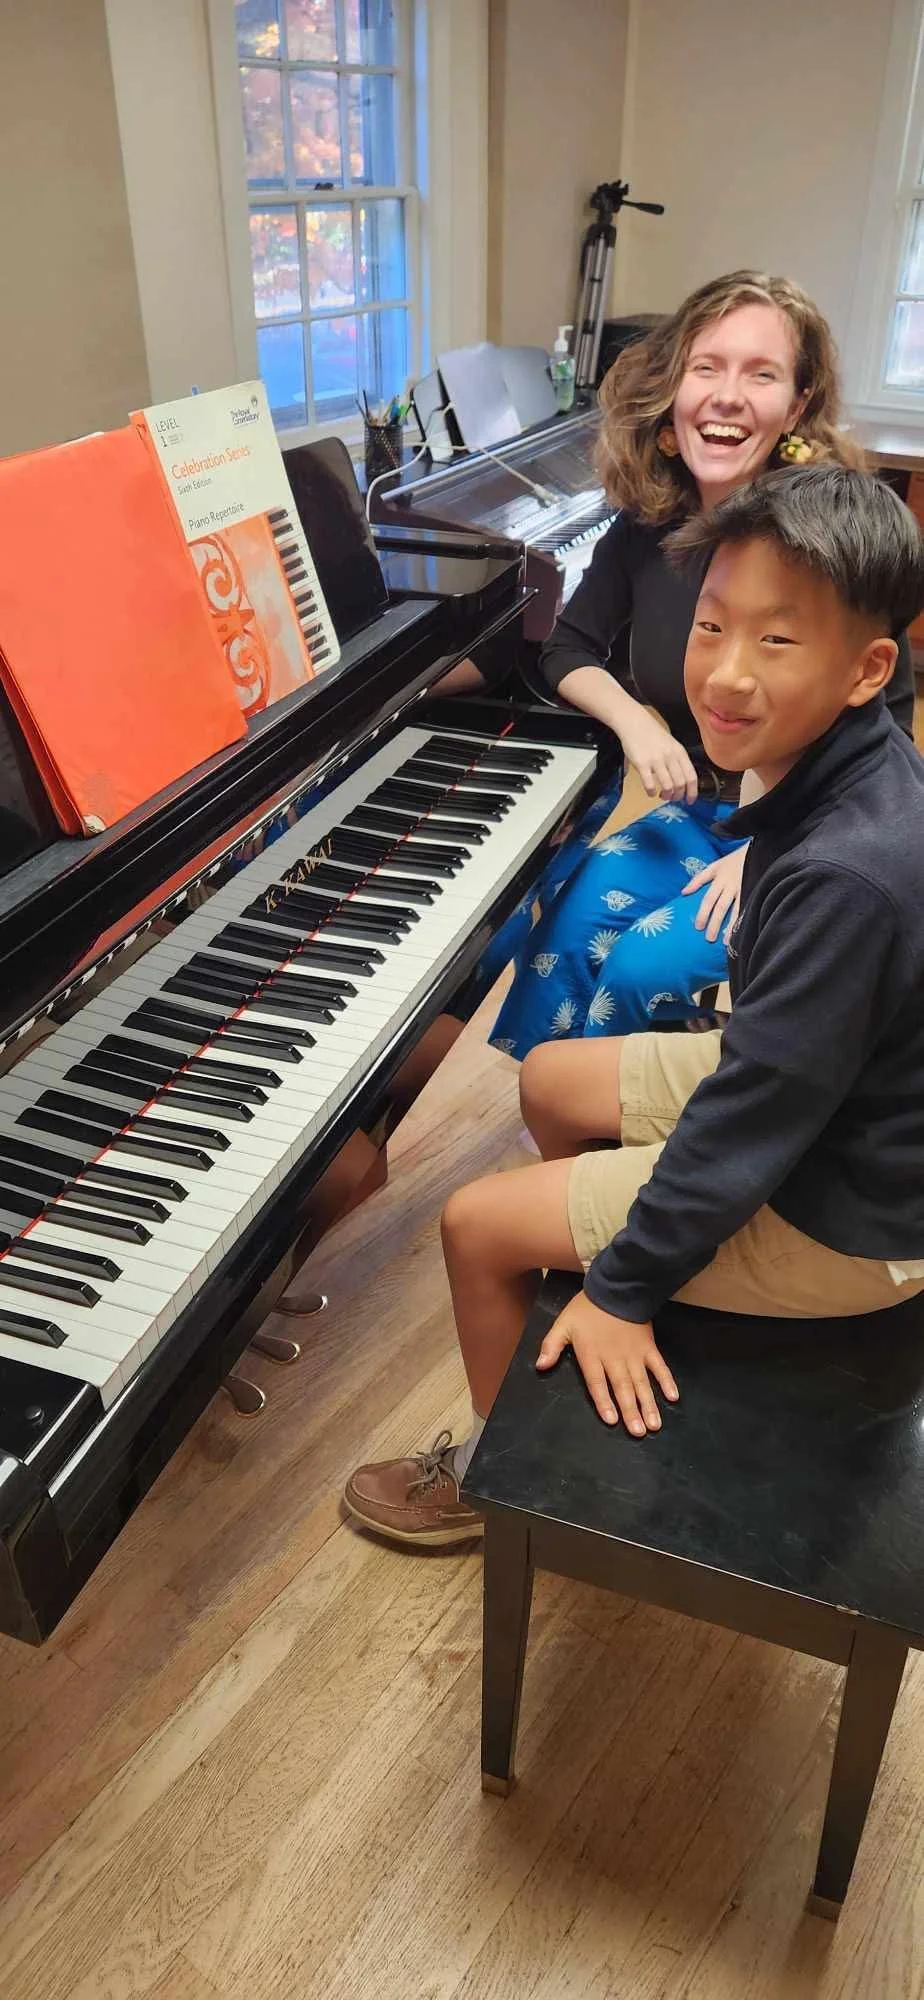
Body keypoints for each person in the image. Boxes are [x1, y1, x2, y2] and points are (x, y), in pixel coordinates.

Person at [344, 463, 924, 1546]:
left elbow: (760, 1114)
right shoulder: (838, 766)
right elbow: (776, 1069)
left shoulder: (849, 871)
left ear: (867, 668)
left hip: (848, 1205)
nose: (727, 676)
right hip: (834, 1103)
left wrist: (627, 1282)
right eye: (712, 626)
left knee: (473, 1224)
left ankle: (496, 1483)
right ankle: (568, 1286)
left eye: (779, 642)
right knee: (553, 1073)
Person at [481, 272, 915, 1061]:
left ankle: (628, 1138)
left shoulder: (834, 540)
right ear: (675, 387)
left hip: (810, 835)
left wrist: (769, 848)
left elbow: (895, 743)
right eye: (706, 367)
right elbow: (567, 646)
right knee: (569, 920)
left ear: (797, 402)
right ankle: (557, 1112)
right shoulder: (652, 522)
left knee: (645, 962)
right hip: (704, 812)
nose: (727, 395)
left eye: (762, 373)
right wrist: (637, 722)